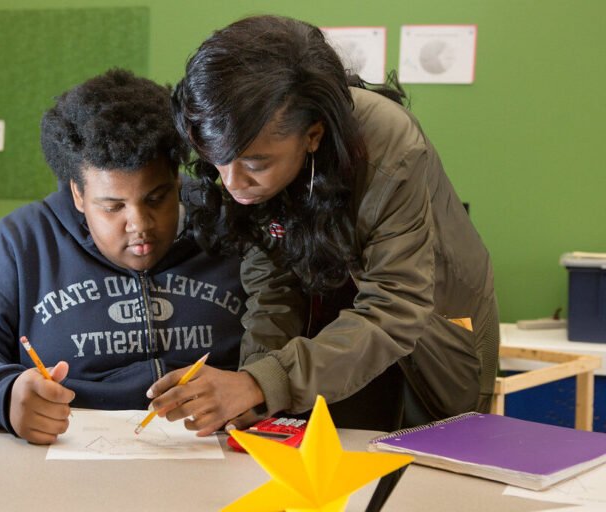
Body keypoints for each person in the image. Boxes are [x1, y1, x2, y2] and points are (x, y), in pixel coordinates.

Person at [147, 15, 499, 435]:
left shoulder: (389, 143)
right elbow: (272, 290)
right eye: (217, 161)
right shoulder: (240, 148)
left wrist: (260, 383)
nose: (233, 183)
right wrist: (252, 391)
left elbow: (395, 307)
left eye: (256, 165)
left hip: (426, 345)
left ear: (313, 136)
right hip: (333, 345)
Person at [0, 69, 247, 444]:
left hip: (217, 450)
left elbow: (296, 346)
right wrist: (5, 394)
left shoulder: (231, 228)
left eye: (156, 198)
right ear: (78, 194)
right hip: (66, 452)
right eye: (112, 206)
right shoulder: (22, 242)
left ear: (177, 179)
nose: (139, 224)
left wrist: (252, 384)